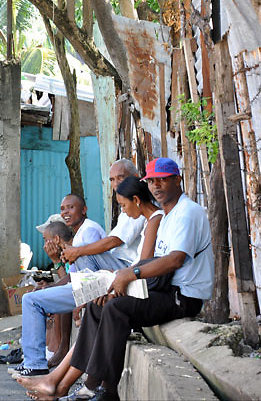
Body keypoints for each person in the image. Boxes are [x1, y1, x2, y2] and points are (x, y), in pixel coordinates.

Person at [24, 158, 214, 401]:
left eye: (162, 180)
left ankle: (107, 391)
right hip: (163, 288)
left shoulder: (187, 213)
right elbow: (152, 264)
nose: (156, 186)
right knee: (98, 305)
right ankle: (84, 387)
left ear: (177, 180)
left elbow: (175, 260)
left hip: (183, 296)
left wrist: (129, 275)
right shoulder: (167, 216)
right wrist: (116, 283)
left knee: (115, 308)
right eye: (152, 181)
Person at [17, 176, 163, 399]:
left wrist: (108, 286)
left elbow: (142, 266)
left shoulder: (150, 220)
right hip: (121, 278)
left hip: (137, 284)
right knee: (94, 308)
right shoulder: (146, 220)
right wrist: (62, 262)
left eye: (123, 205)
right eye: (62, 209)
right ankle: (60, 382)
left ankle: (72, 383)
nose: (122, 211)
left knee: (97, 307)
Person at [13, 194, 129, 378]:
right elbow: (73, 275)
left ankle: (36, 363)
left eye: (71, 208)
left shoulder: (88, 231)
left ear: (84, 210)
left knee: (31, 300)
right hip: (92, 282)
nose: (65, 212)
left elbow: (77, 275)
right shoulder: (81, 233)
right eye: (63, 209)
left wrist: (79, 295)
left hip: (101, 283)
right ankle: (36, 361)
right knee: (33, 299)